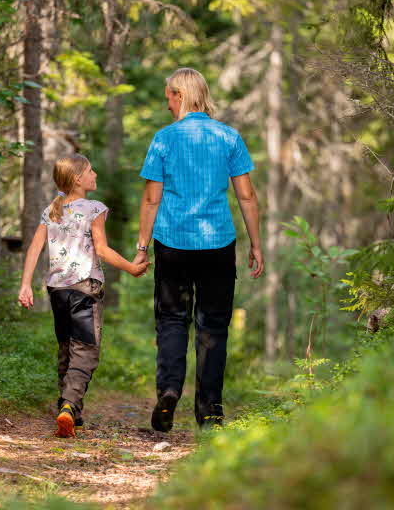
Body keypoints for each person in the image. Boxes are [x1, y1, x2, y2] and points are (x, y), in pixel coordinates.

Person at [133, 68, 265, 432]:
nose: (168, 105)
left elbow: (150, 199)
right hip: (217, 243)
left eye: (169, 98)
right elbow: (246, 195)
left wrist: (142, 248)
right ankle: (210, 410)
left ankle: (170, 389)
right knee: (214, 326)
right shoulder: (229, 137)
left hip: (173, 243)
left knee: (172, 320)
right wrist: (256, 243)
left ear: (179, 95)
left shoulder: (164, 139)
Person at [18, 153, 149, 438]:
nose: (95, 175)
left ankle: (70, 412)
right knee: (86, 350)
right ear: (78, 179)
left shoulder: (51, 210)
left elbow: (34, 249)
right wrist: (131, 268)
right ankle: (68, 405)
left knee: (67, 347)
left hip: (57, 290)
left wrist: (26, 284)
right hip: (84, 288)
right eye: (90, 171)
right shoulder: (94, 208)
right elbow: (101, 250)